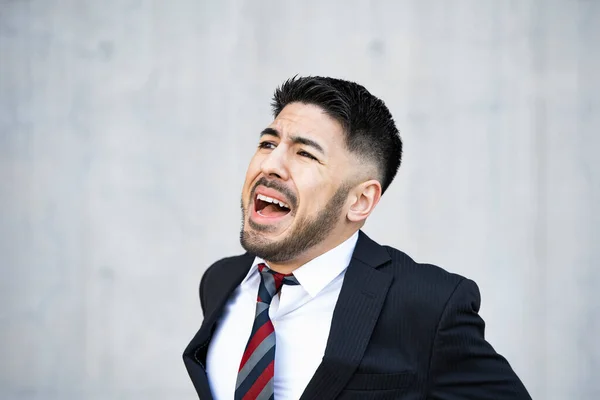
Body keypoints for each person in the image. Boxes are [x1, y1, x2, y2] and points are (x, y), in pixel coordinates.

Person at [183, 76, 531, 400]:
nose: (270, 164)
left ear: (360, 201)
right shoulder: (221, 281)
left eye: (305, 153)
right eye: (268, 143)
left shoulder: (429, 306)